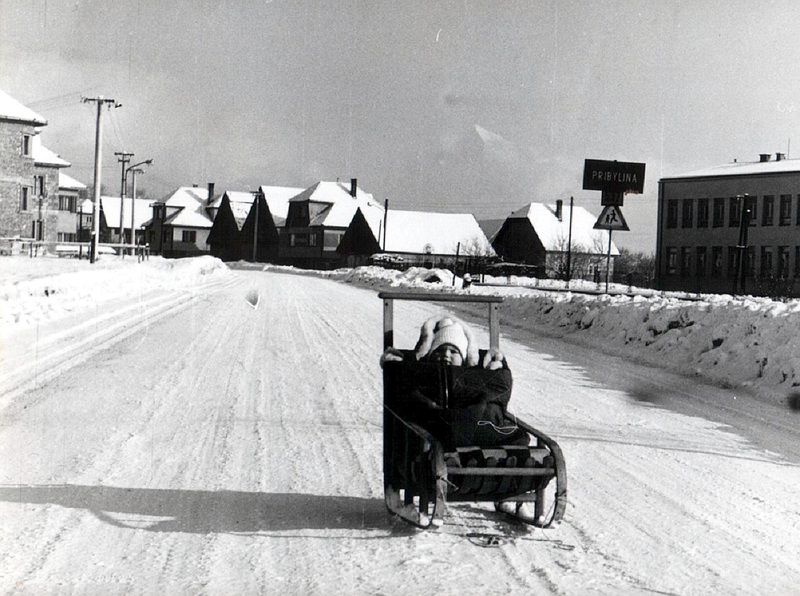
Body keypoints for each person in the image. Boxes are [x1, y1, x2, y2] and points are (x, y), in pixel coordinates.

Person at [381, 315, 536, 523]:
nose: (446, 355)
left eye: (454, 351)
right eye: (440, 350)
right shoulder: (423, 373)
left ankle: (510, 494)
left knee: (517, 439)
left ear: (464, 357)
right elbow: (403, 382)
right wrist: (413, 357)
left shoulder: (474, 374)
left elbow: (500, 386)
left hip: (474, 433)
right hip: (439, 433)